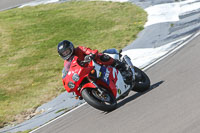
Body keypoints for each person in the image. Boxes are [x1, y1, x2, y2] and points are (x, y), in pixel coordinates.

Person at [57, 40, 132, 83]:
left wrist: (91, 54)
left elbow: (88, 51)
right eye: (64, 53)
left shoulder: (79, 49)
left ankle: (122, 67)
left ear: (71, 48)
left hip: (93, 62)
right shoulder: (66, 64)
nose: (66, 54)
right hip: (85, 72)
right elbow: (68, 73)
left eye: (67, 51)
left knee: (101, 57)